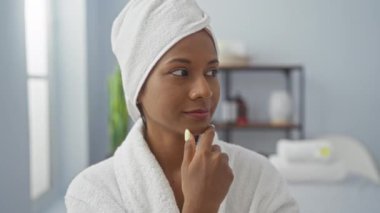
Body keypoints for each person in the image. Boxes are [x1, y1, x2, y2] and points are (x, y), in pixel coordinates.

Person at [65, 0, 299, 212]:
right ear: (139, 88)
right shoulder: (92, 192)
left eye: (212, 72)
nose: (205, 90)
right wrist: (201, 207)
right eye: (180, 72)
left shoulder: (258, 178)